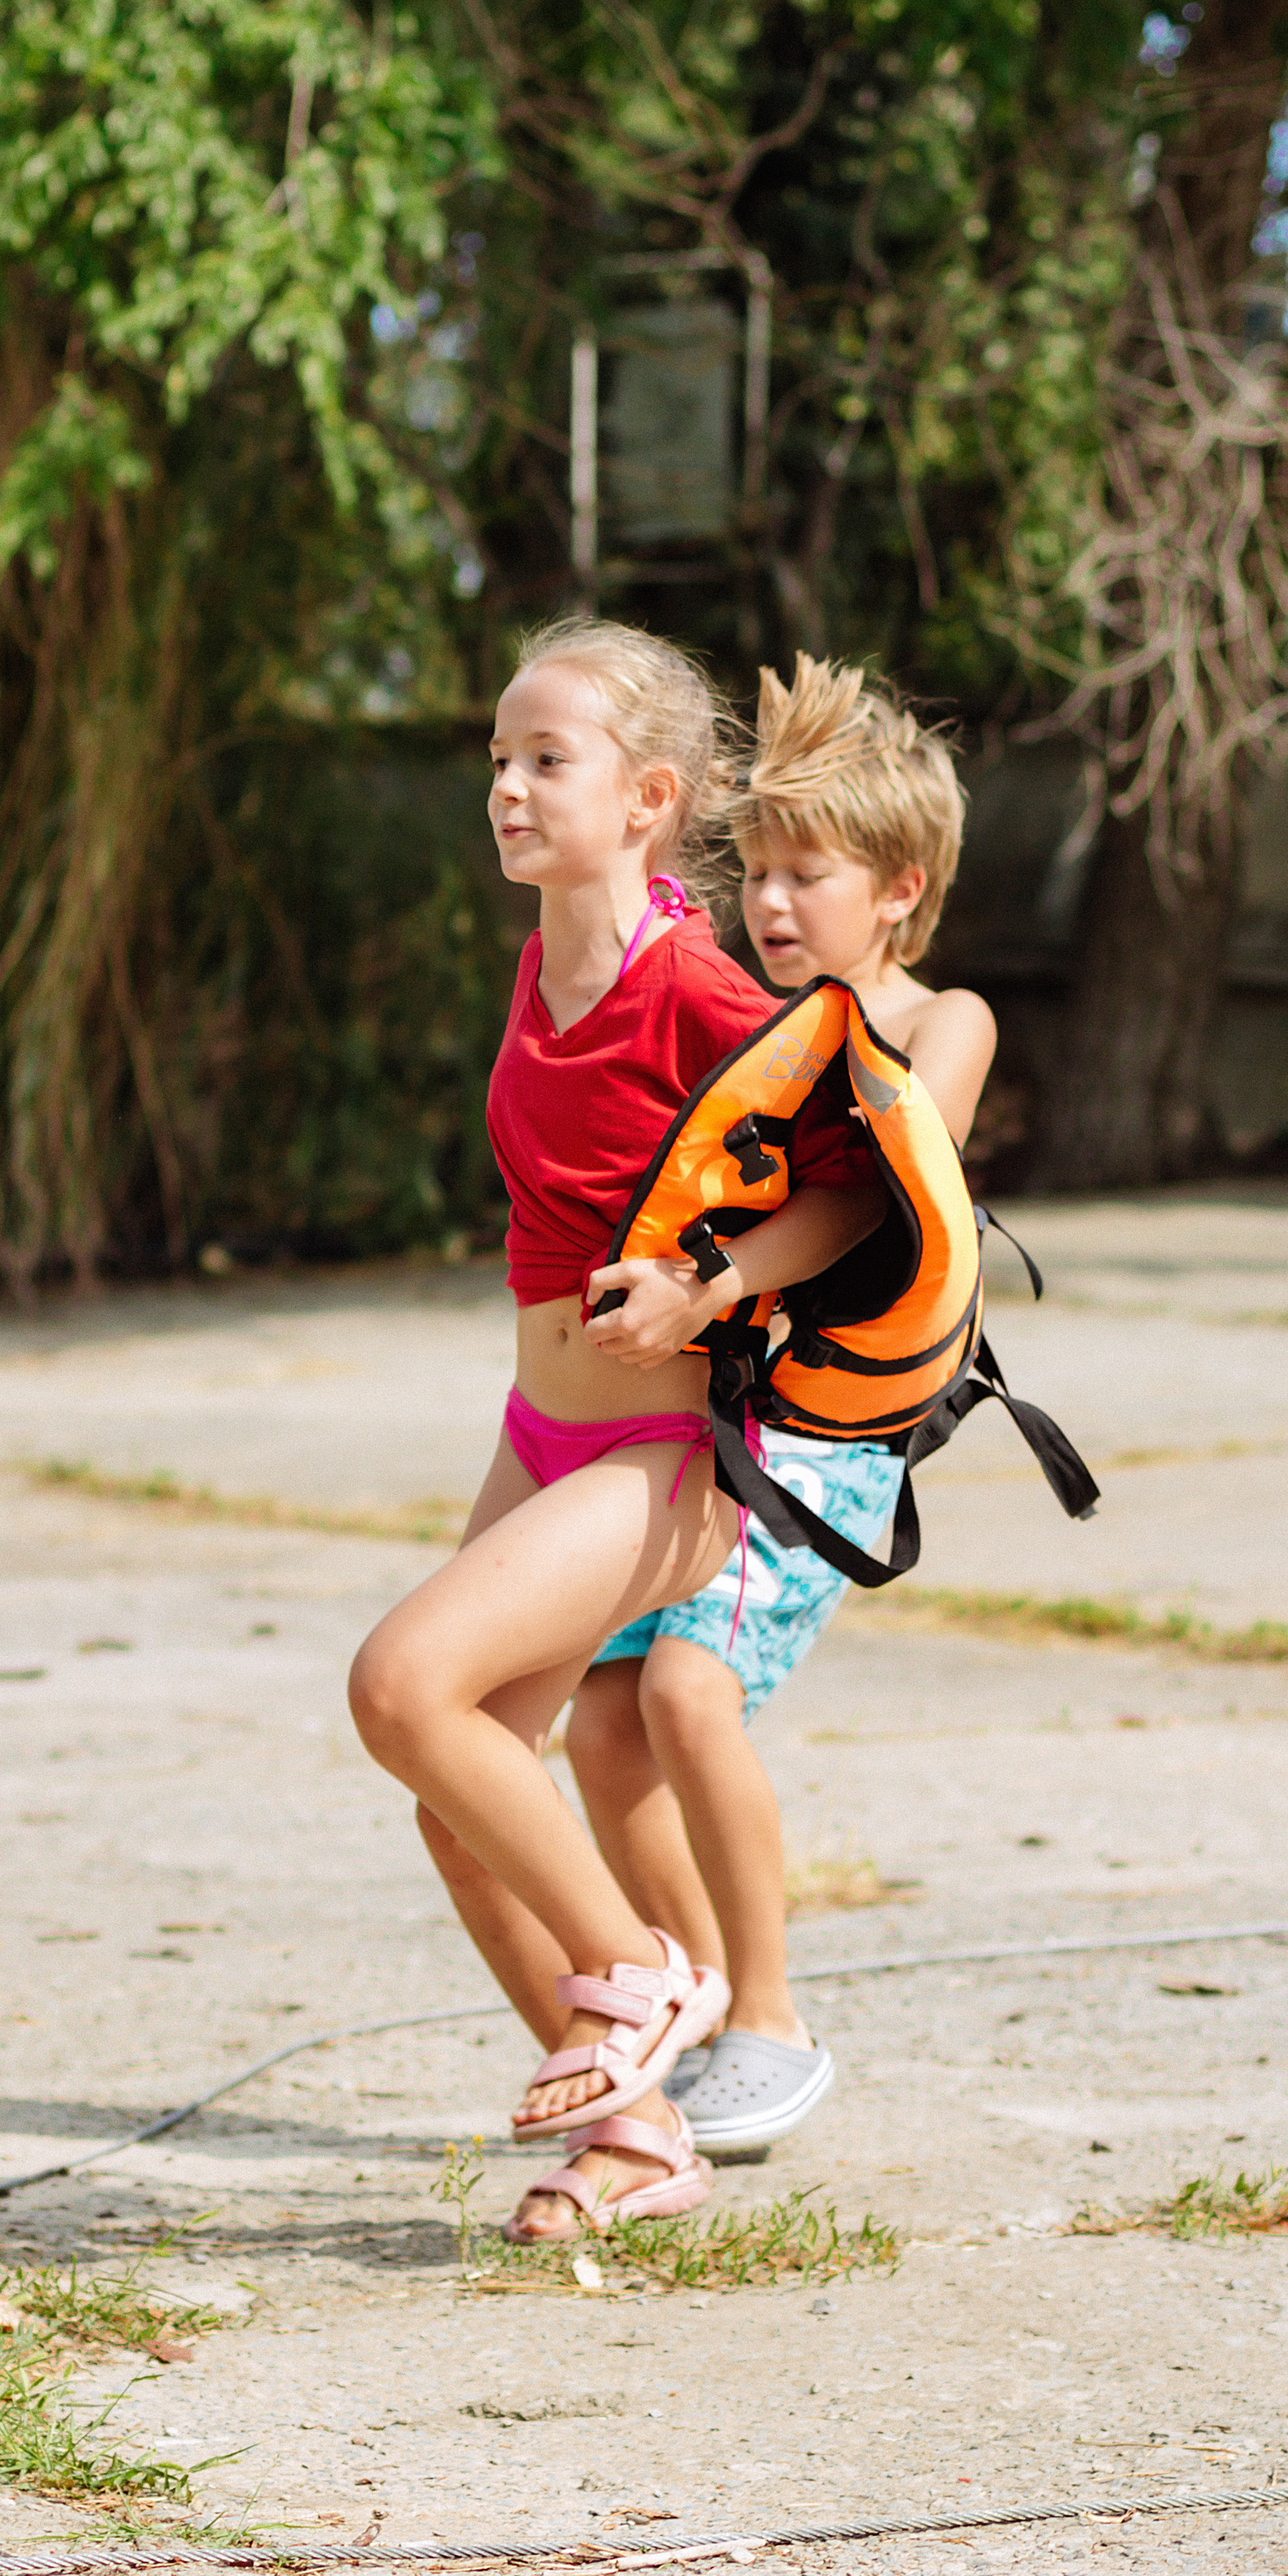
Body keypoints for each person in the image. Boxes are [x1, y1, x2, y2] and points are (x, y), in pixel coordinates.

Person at [347, 621, 885, 2243]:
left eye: (545, 762)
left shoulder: (699, 989)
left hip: (670, 1460)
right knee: (457, 1801)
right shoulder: (542, 960)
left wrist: (709, 1277)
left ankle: (642, 1974)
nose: (506, 788)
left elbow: (863, 1189)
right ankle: (641, 2140)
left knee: (397, 1688)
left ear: (647, 798)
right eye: (496, 761)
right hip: (538, 1430)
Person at [561, 653, 998, 2160]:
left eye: (806, 874)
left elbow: (869, 1179)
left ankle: (769, 2018)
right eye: (753, 873)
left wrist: (711, 1272)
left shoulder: (940, 1021)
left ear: (899, 887)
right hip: (714, 1422)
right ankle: (690, 1995)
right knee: (607, 1723)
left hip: (825, 1442)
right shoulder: (758, 1022)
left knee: (688, 1693)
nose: (768, 902)